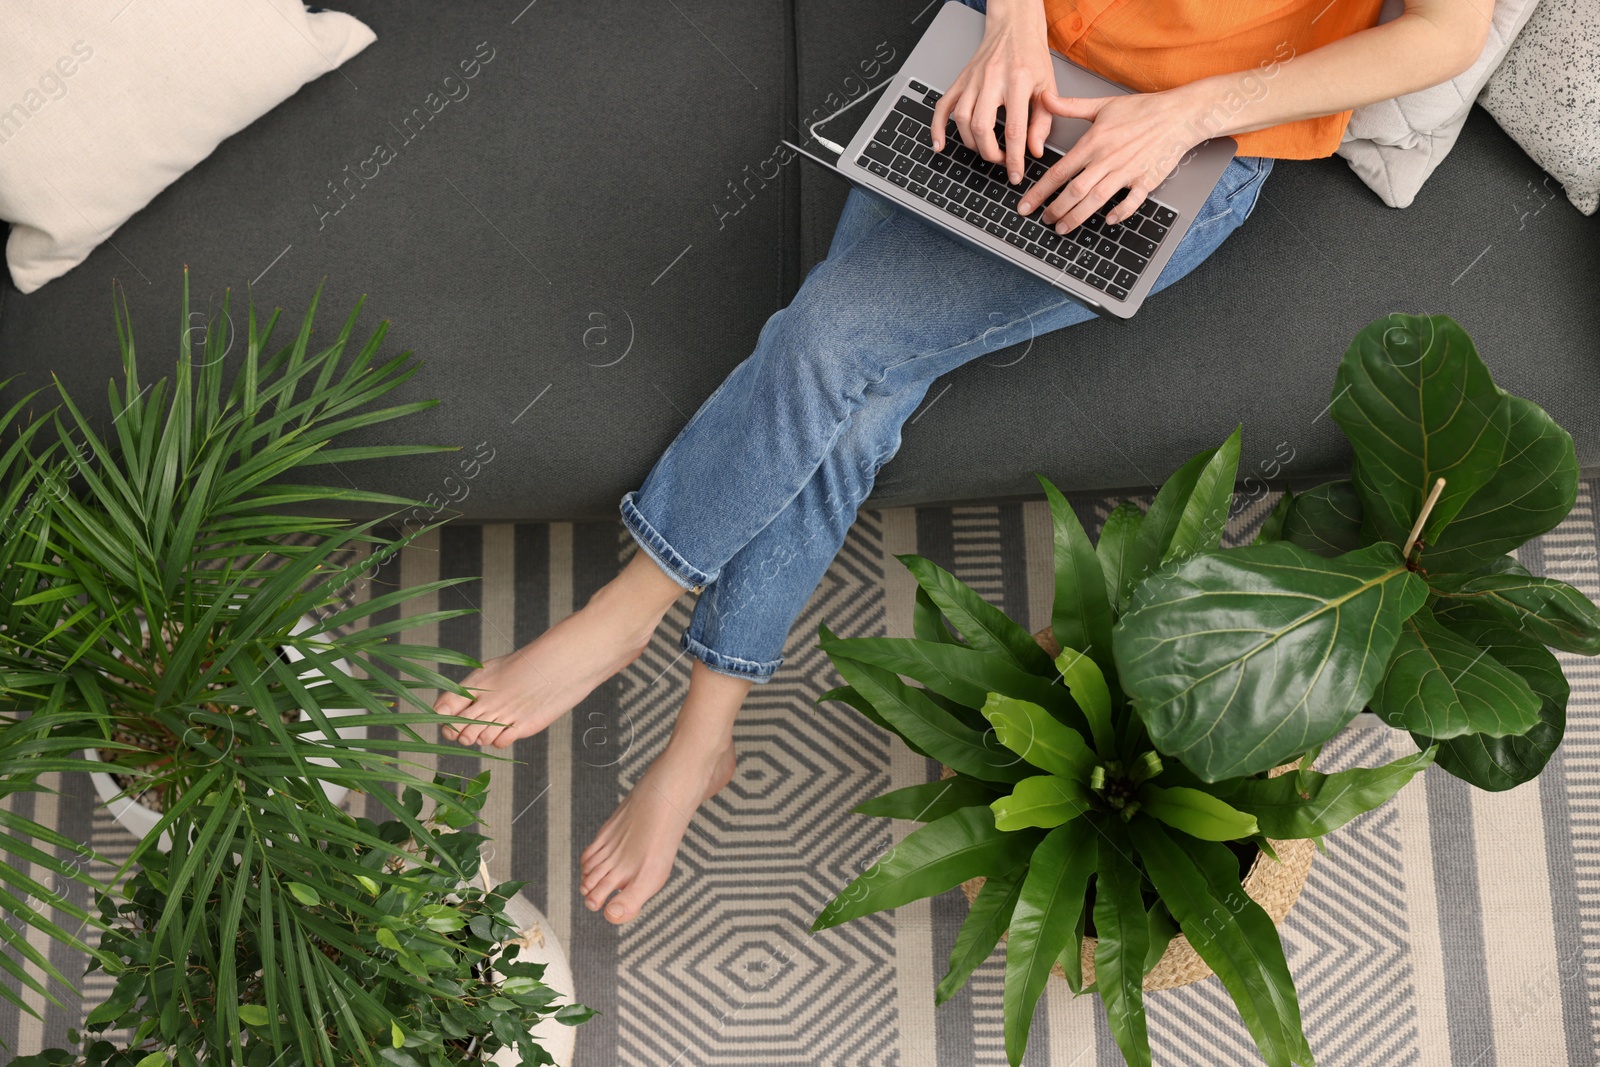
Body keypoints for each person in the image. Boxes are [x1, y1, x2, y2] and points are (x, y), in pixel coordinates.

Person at [433, 0, 1492, 924]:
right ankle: (706, 731)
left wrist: (1191, 110)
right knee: (853, 396)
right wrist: (1011, 20)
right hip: (1001, 69)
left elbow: (1445, 29)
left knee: (830, 342)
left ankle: (634, 601)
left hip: (1176, 147)